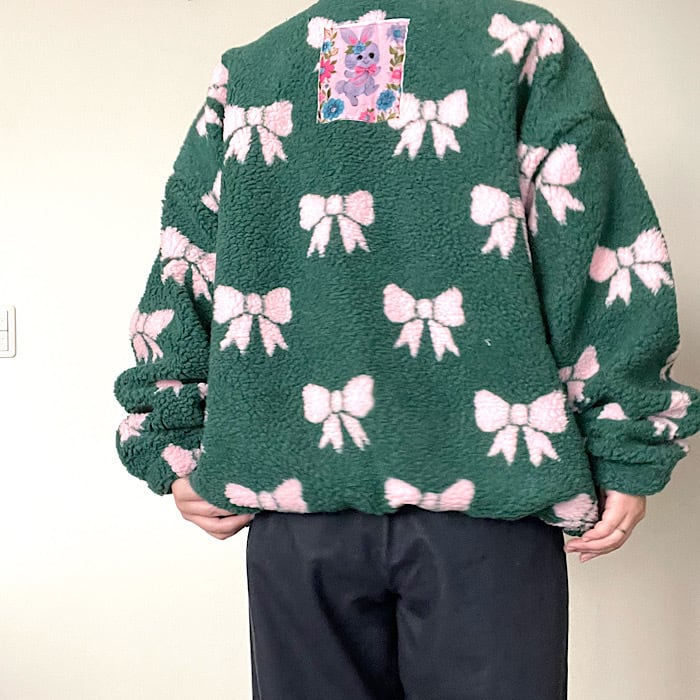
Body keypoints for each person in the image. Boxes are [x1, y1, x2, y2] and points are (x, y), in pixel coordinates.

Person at [113, 1, 700, 697]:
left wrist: (172, 440)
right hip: (486, 497)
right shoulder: (517, 44)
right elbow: (601, 251)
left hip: (300, 509)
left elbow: (187, 256)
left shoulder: (253, 71)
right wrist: (626, 437)